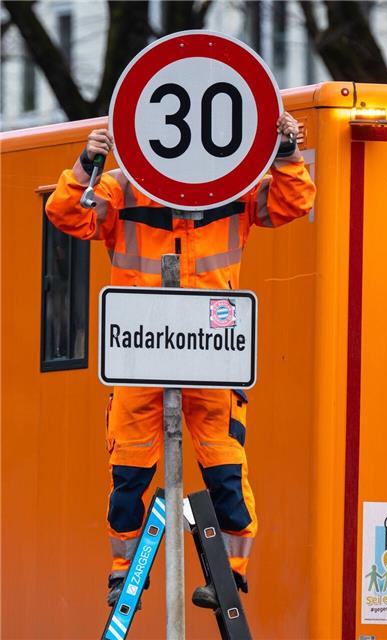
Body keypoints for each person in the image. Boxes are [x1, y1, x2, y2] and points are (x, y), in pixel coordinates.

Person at [45, 112, 316, 609]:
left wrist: (285, 153)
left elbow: (293, 201)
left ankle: (229, 576)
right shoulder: (120, 189)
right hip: (146, 356)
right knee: (129, 471)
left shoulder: (232, 187)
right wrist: (86, 162)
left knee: (225, 469)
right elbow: (65, 214)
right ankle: (124, 573)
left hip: (204, 356)